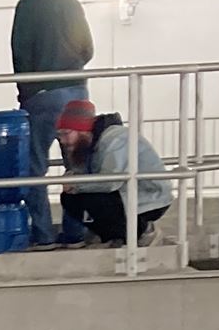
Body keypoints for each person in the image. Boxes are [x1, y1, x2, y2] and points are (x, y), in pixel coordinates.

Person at [10, 0, 95, 250]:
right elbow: (88, 49)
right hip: (77, 92)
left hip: (43, 94)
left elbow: (20, 52)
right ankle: (74, 233)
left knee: (35, 166)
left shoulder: (26, 7)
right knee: (77, 162)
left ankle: (44, 235)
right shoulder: (72, 4)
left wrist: (25, 92)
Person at [53, 99, 174, 246]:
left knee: (91, 200)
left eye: (66, 134)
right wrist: (74, 180)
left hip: (150, 196)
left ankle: (143, 231)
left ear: (83, 130)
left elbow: (111, 182)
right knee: (72, 199)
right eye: (60, 135)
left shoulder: (115, 139)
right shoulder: (89, 142)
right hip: (126, 193)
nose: (62, 140)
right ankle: (113, 236)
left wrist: (76, 185)